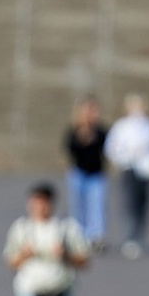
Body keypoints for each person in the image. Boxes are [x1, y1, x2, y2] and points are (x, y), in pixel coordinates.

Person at [105, 95, 149, 257]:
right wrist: (124, 156)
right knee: (130, 203)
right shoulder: (121, 126)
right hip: (129, 167)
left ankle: (138, 234)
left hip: (147, 169)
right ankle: (130, 237)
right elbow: (111, 148)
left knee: (144, 203)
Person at [63, 96, 109, 249]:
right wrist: (82, 139)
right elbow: (70, 150)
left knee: (96, 206)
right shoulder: (74, 131)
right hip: (79, 173)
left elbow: (108, 151)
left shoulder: (102, 132)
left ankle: (96, 237)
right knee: (78, 207)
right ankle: (79, 237)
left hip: (96, 174)